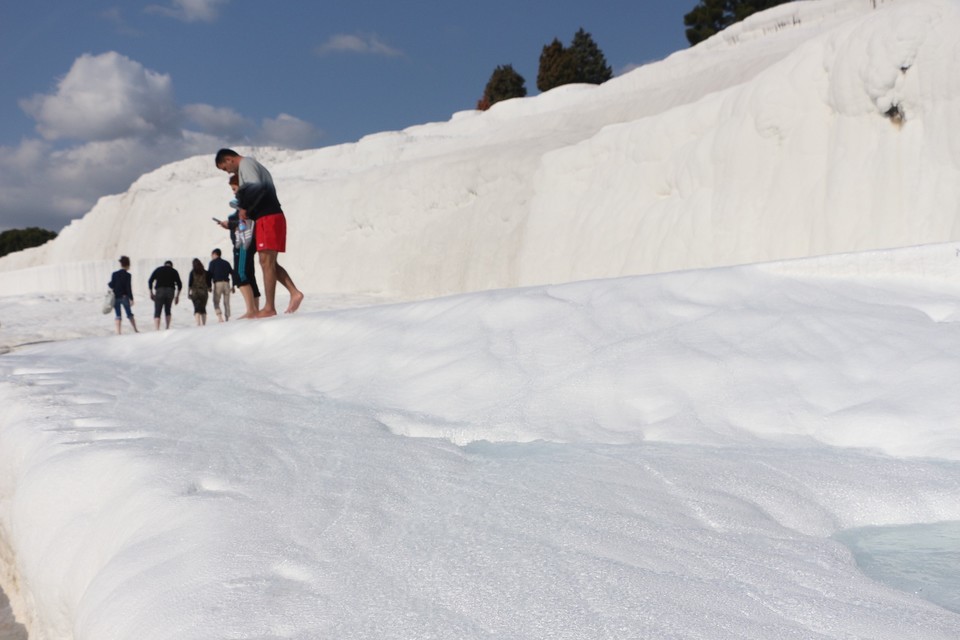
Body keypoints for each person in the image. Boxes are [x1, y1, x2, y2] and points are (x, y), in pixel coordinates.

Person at [215, 148, 304, 318]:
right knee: (267, 262)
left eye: (225, 168)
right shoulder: (249, 165)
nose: (227, 172)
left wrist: (244, 208)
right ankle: (294, 293)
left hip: (268, 217)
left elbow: (255, 187)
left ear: (228, 159)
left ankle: (270, 307)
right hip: (268, 217)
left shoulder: (246, 164)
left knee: (266, 262)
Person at [216, 174, 260, 318]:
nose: (234, 192)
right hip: (248, 241)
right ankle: (255, 309)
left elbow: (247, 222)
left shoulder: (245, 204)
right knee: (249, 275)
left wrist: (230, 224)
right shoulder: (250, 201)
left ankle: (251, 310)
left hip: (242, 242)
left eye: (235, 188)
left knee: (240, 275)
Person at [148, 260, 182, 330]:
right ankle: (167, 327)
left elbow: (150, 280)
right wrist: (177, 296)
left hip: (159, 291)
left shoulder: (158, 269)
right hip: (170, 291)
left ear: (164, 265)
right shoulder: (174, 271)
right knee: (168, 309)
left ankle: (157, 329)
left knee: (157, 310)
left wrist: (151, 292)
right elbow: (180, 284)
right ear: (171, 266)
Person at [108, 256, 138, 335]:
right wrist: (131, 298)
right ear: (128, 265)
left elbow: (111, 285)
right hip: (124, 297)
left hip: (116, 297)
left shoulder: (114, 274)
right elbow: (128, 287)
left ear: (121, 264)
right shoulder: (128, 275)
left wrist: (110, 284)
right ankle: (135, 329)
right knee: (129, 313)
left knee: (118, 315)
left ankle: (118, 332)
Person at [208, 248, 234, 322]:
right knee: (226, 302)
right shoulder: (226, 262)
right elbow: (232, 273)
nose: (211, 256)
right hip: (226, 283)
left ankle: (220, 317)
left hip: (218, 284)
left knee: (216, 301)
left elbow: (209, 275)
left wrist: (209, 286)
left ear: (215, 254)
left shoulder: (212, 263)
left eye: (212, 255)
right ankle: (227, 318)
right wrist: (233, 285)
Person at [187, 258, 211, 326]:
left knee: (197, 308)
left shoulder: (192, 272)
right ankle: (204, 324)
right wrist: (209, 288)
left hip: (195, 293)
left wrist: (188, 293)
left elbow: (190, 284)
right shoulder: (205, 272)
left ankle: (198, 323)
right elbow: (208, 282)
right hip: (204, 293)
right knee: (203, 308)